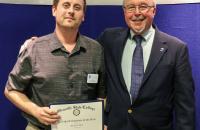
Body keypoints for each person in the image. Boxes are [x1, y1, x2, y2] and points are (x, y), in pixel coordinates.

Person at [4, 0, 106, 130]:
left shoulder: (96, 50)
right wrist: (36, 111)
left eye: (77, 7)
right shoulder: (34, 48)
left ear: (83, 15)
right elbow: (11, 90)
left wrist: (98, 121)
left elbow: (102, 95)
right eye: (66, 5)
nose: (71, 11)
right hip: (40, 127)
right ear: (54, 10)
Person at [97, 0, 195, 130]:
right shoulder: (108, 39)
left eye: (143, 6)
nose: (137, 13)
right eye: (131, 7)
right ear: (124, 11)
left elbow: (185, 107)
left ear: (154, 10)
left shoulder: (176, 49)